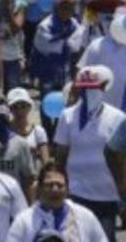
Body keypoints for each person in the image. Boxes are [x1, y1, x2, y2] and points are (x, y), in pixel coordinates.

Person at [52, 65, 125, 238]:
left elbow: (122, 160)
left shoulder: (118, 118)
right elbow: (60, 157)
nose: (89, 93)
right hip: (75, 194)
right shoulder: (67, 116)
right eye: (84, 88)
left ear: (103, 88)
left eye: (93, 88)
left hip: (106, 196)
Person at [5, 163, 108, 242]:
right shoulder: (23, 221)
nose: (55, 189)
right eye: (49, 185)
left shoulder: (85, 217)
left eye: (60, 185)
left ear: (68, 189)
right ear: (39, 188)